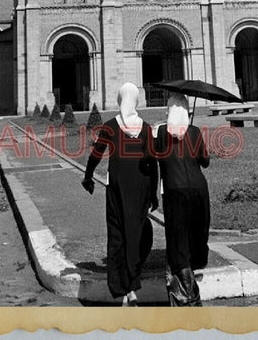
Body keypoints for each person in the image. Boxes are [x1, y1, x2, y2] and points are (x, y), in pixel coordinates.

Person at [82, 82, 158, 306]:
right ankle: (133, 287)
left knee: (117, 235)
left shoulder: (109, 127)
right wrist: (153, 193)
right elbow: (152, 162)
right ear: (135, 100)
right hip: (141, 187)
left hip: (117, 187)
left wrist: (88, 177)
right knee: (137, 233)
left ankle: (121, 288)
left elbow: (96, 154)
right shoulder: (145, 128)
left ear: (119, 100)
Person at [153, 93, 210, 306]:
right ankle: (188, 289)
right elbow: (205, 161)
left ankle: (189, 297)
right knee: (195, 235)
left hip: (175, 191)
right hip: (198, 190)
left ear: (169, 111)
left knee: (178, 241)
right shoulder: (194, 132)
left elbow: (155, 157)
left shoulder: (160, 133)